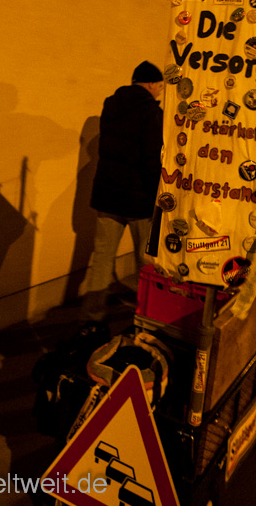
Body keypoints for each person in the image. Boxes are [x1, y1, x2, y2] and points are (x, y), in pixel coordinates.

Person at [80, 61, 165, 327]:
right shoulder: (152, 112)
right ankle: (148, 314)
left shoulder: (111, 106)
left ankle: (92, 317)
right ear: (150, 84)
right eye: (160, 86)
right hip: (139, 199)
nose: (160, 91)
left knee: (102, 257)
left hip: (108, 196)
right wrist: (158, 195)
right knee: (146, 260)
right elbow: (151, 158)